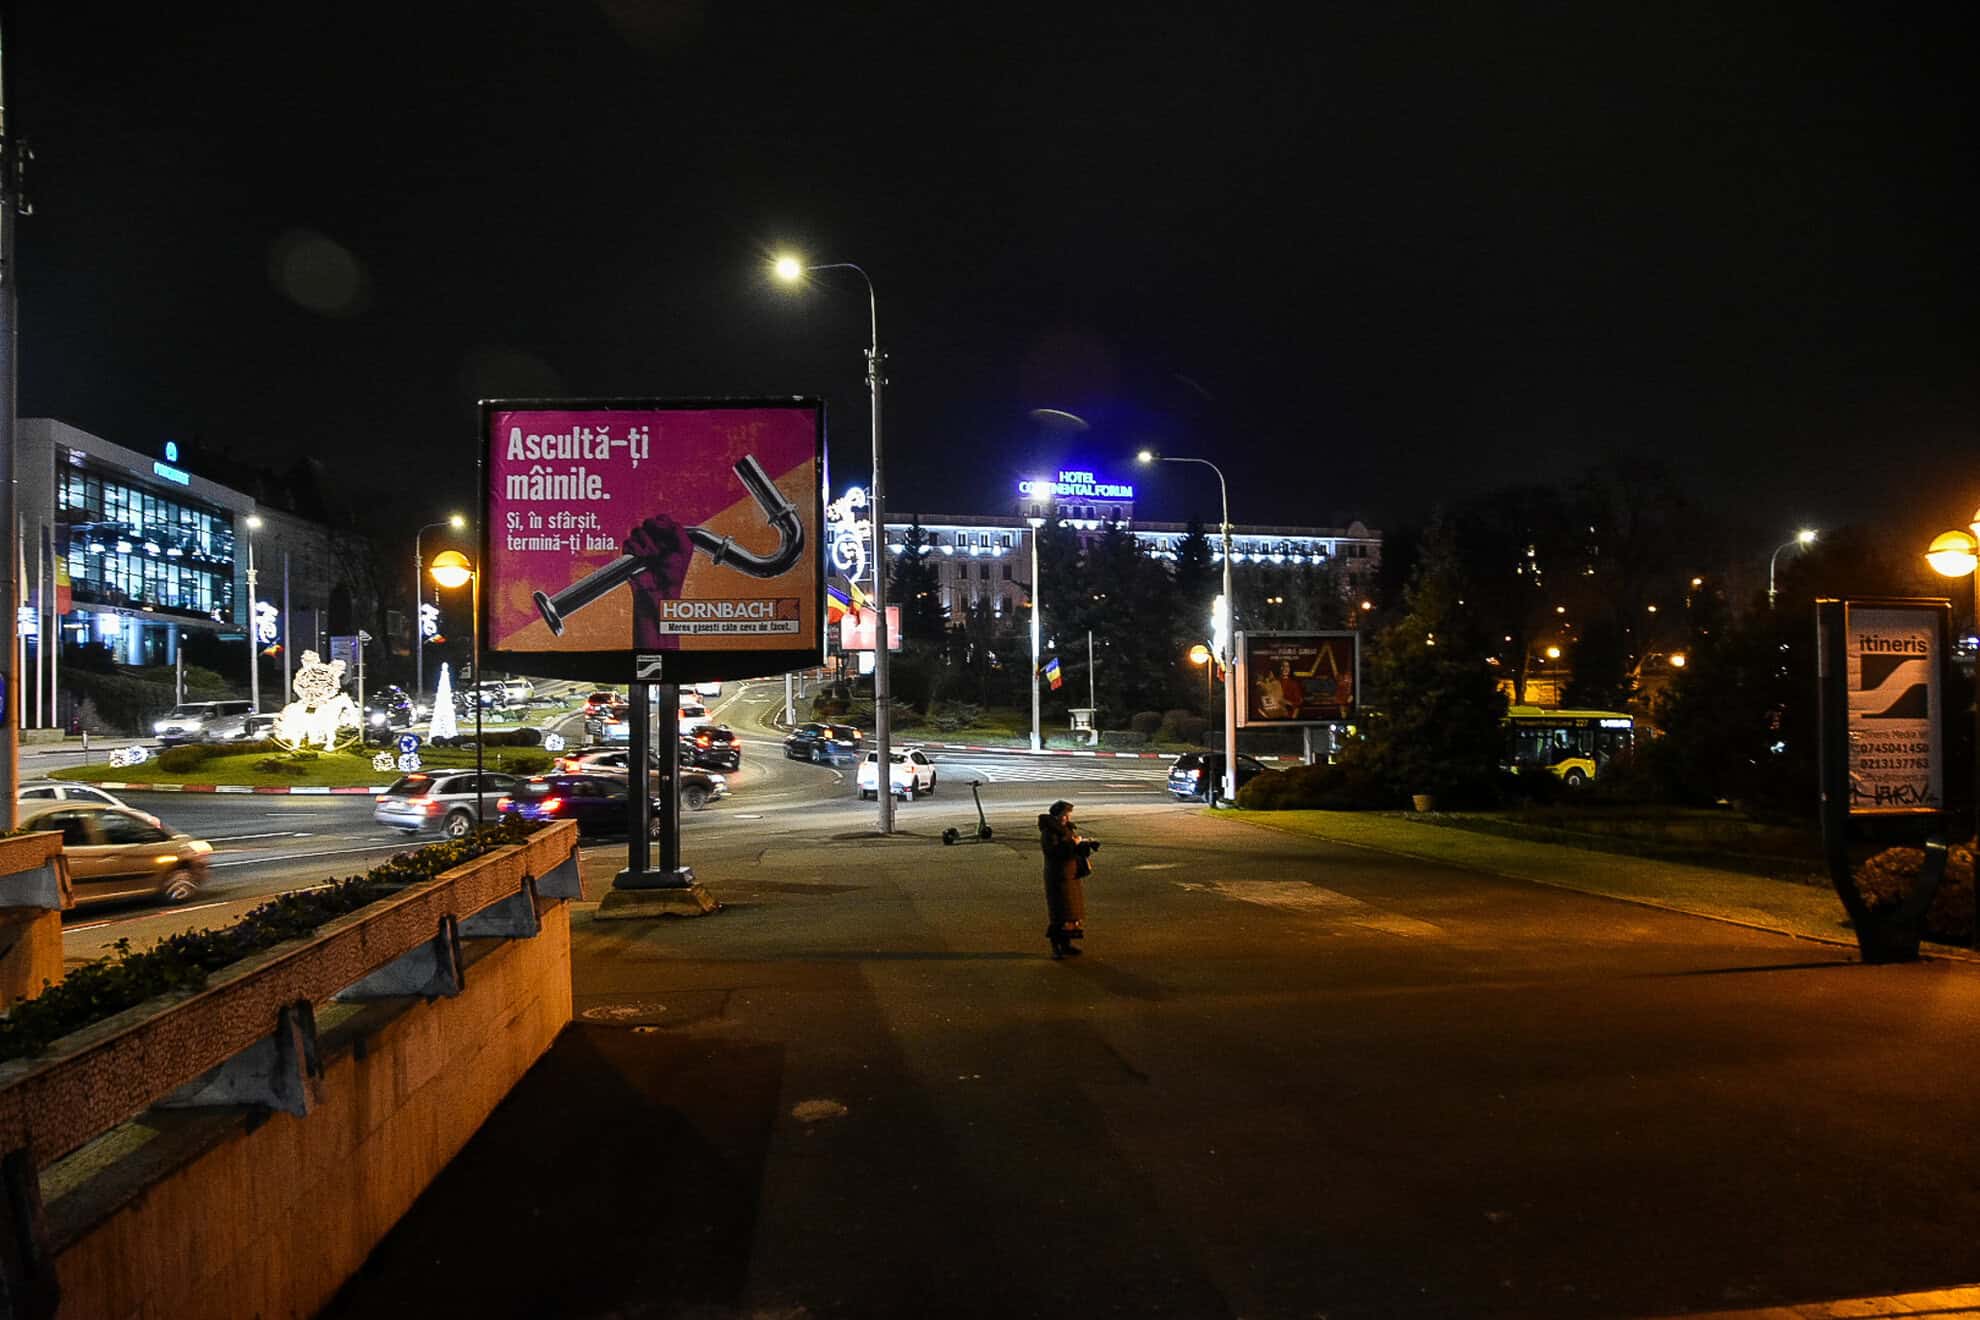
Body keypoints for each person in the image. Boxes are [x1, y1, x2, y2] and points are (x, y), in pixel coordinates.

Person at [1037, 799, 1093, 959]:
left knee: (1071, 913)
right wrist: (1073, 845)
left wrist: (1083, 845)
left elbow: (1070, 848)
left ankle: (1067, 944)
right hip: (1058, 876)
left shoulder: (1065, 829)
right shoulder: (1049, 832)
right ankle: (1056, 947)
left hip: (1070, 874)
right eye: (1064, 815)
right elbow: (1053, 852)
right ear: (1057, 814)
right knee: (1059, 913)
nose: (1067, 818)